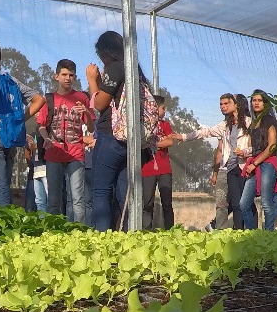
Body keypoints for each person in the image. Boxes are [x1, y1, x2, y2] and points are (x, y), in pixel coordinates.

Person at [86, 30, 150, 231]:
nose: (100, 60)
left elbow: (99, 104)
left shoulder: (115, 68)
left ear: (107, 52)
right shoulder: (134, 70)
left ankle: (102, 240)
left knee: (101, 190)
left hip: (111, 136)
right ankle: (130, 238)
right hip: (129, 142)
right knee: (125, 194)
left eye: (100, 55)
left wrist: (92, 80)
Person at [0, 39, 45, 208]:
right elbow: (38, 99)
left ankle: (5, 232)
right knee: (3, 187)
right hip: (10, 139)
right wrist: (18, 120)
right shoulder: (10, 79)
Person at [38, 59, 92, 221]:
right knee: (53, 199)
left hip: (76, 155)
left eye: (71, 75)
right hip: (54, 154)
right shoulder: (49, 99)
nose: (67, 78)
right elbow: (41, 125)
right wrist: (46, 139)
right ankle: (53, 233)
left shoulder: (81, 98)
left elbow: (91, 128)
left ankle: (79, 232)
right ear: (56, 76)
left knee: (77, 198)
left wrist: (87, 113)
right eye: (64, 74)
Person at [190, 93, 249, 229]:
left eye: (226, 104)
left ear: (237, 105)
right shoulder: (224, 126)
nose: (223, 107)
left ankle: (242, 230)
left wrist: (245, 153)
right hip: (227, 169)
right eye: (221, 104)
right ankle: (220, 229)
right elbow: (218, 147)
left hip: (243, 167)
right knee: (225, 203)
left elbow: (255, 146)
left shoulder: (248, 123)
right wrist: (215, 172)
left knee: (242, 202)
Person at [239, 90, 277, 230]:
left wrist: (254, 163)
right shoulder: (254, 123)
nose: (256, 103)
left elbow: (272, 146)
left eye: (259, 100)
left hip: (268, 163)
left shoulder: (269, 121)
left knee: (266, 202)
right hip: (255, 163)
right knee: (244, 203)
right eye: (254, 100)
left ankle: (268, 234)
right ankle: (253, 234)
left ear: (265, 103)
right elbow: (254, 148)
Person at [141, 95, 183, 229]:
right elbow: (143, 143)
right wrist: (158, 142)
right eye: (163, 108)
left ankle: (170, 231)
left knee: (167, 203)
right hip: (147, 169)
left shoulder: (165, 124)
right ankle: (146, 231)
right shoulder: (144, 124)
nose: (164, 111)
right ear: (154, 107)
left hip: (164, 169)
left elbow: (170, 141)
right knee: (147, 203)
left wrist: (153, 144)